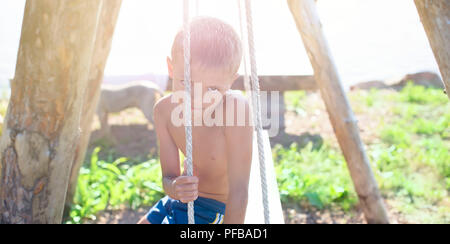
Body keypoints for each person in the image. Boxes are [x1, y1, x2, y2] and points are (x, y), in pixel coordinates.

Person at [137, 16, 253, 224]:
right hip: (175, 203)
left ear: (230, 82)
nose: (197, 98)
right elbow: (168, 178)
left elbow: (239, 191)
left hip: (213, 210)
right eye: (187, 83)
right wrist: (175, 188)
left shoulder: (235, 110)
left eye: (213, 89)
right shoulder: (164, 111)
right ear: (171, 68)